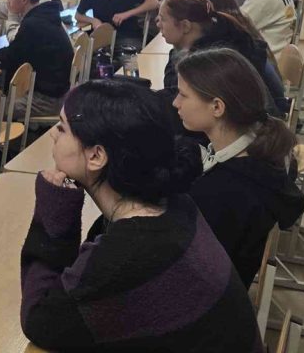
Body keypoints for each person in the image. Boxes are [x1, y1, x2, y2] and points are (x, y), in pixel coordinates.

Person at [21, 79, 262, 352]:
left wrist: (54, 208)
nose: (53, 134)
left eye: (62, 127)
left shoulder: (130, 253)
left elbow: (39, 320)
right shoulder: (174, 203)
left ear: (96, 156)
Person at [174, 48, 304, 287]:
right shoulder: (266, 145)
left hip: (210, 295)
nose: (175, 103)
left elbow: (187, 268)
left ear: (217, 107)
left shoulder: (222, 192)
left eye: (183, 95)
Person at [157, 0, 287, 116]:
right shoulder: (225, 40)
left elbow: (178, 106)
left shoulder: (212, 61)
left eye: (163, 19)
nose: (158, 24)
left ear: (185, 26)